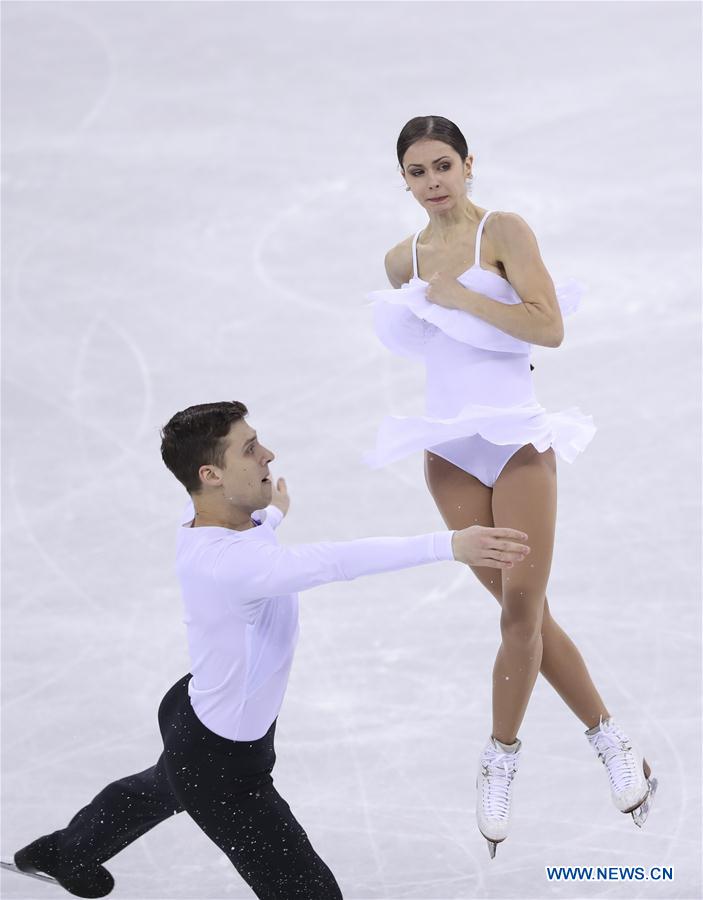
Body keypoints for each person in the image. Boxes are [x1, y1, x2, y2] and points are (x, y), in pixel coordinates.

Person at [11, 400, 531, 899]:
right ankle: (67, 851)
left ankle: (64, 853)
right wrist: (448, 544)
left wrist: (275, 515)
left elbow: (253, 544)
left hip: (193, 713)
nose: (268, 455)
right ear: (210, 476)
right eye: (249, 448)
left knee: (157, 787)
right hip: (221, 767)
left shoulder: (219, 529)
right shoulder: (231, 564)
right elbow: (333, 561)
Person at [364, 115, 657, 857]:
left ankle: (503, 754)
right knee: (519, 611)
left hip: (517, 439)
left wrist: (462, 297)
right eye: (415, 171)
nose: (430, 183)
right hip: (449, 451)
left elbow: (548, 326)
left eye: (441, 166)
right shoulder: (400, 260)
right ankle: (613, 738)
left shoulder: (503, 230)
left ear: (467, 164)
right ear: (401, 179)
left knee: (521, 613)